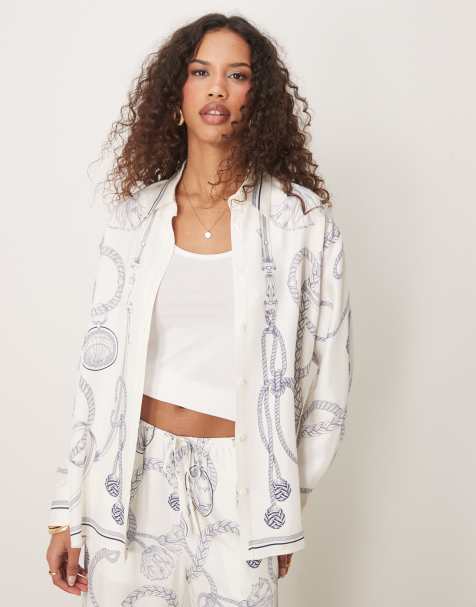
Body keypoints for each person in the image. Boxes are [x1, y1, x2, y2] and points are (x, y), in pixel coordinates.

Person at [45, 12, 354, 606]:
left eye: (237, 75)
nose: (217, 88)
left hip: (244, 486)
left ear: (257, 100)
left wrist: (285, 498)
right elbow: (96, 374)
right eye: (200, 72)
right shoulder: (134, 221)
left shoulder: (300, 222)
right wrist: (67, 509)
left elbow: (330, 376)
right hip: (129, 483)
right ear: (176, 97)